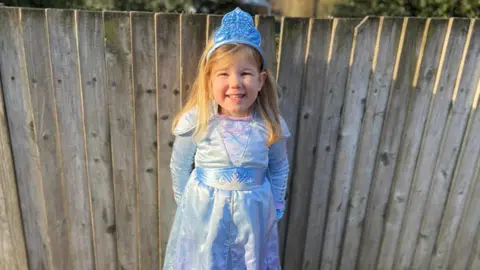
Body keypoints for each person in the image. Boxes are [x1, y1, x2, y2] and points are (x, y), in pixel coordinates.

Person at [163, 7, 290, 270]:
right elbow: (180, 165)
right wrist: (188, 207)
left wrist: (276, 206)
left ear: (261, 80)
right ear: (209, 80)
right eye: (223, 74)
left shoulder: (270, 125)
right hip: (205, 218)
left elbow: (279, 166)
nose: (235, 83)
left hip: (253, 218)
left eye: (245, 73)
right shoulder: (196, 121)